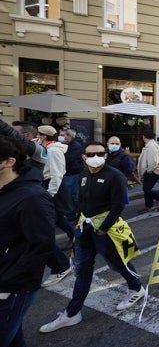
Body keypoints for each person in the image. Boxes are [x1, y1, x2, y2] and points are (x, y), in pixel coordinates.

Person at [39, 141, 145, 333]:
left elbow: (118, 205)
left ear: (105, 155)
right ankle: (72, 313)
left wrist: (103, 229)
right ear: (83, 157)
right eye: (90, 154)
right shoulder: (83, 174)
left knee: (118, 263)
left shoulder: (115, 176)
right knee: (82, 270)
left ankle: (136, 288)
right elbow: (81, 200)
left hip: (106, 231)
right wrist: (78, 224)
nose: (95, 157)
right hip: (84, 229)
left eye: (99, 153)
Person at [0, 135, 55, 346]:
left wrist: (7, 280)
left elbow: (41, 246)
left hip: (10, 288)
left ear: (9, 162)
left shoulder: (32, 197)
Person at [37, 125, 73, 287]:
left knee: (45, 227)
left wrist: (49, 195)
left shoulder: (53, 151)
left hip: (52, 189)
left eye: (39, 135)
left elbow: (57, 174)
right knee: (58, 218)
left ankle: (61, 265)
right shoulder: (47, 148)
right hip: (49, 187)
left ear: (44, 136)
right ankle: (76, 238)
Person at [137, 130, 159, 213]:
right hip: (151, 171)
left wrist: (148, 171)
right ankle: (148, 206)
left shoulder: (151, 146)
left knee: (146, 189)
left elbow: (153, 161)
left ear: (144, 137)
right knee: (146, 189)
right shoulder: (150, 145)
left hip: (152, 171)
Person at [59, 128, 83, 220]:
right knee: (68, 195)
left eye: (62, 135)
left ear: (69, 136)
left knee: (71, 195)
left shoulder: (75, 146)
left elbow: (66, 159)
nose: (60, 137)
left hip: (73, 174)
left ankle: (73, 215)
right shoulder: (64, 145)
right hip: (66, 174)